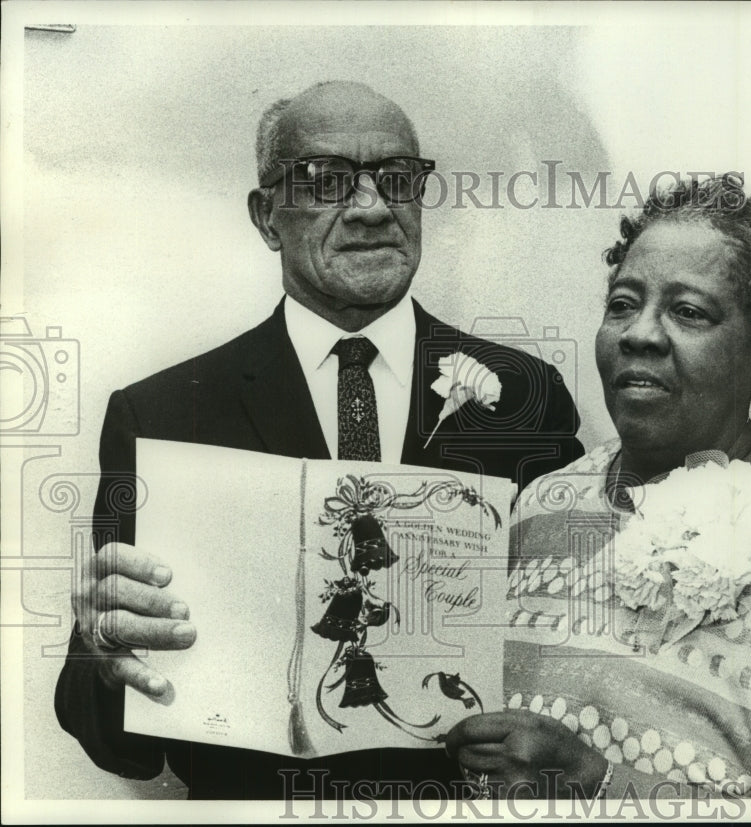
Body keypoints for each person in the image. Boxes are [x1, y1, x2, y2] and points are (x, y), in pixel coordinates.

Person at [53, 80, 586, 800]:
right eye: (326, 180)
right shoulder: (164, 415)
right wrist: (100, 646)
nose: (371, 207)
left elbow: (584, 647)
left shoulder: (524, 394)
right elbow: (121, 747)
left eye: (397, 179)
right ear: (267, 215)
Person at [446, 176, 751, 799]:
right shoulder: (542, 505)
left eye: (687, 312)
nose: (639, 334)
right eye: (623, 303)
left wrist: (599, 787)